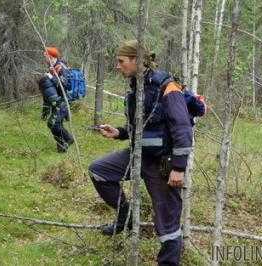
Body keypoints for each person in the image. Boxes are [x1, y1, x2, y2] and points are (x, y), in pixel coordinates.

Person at [88, 40, 193, 265]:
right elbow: (144, 126)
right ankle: (125, 217)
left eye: (121, 61)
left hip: (162, 164)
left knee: (168, 223)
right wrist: (120, 132)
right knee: (99, 171)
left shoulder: (167, 86)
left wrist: (178, 168)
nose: (118, 66)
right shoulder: (137, 86)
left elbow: (182, 128)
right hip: (138, 156)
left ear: (136, 60)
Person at [38, 46, 74, 153]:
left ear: (51, 56)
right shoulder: (52, 66)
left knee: (53, 124)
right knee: (56, 125)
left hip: (63, 101)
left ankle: (69, 139)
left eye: (46, 56)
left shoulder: (61, 67)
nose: (45, 58)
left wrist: (51, 77)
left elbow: (65, 85)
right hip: (57, 100)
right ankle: (61, 148)